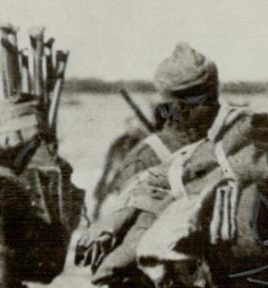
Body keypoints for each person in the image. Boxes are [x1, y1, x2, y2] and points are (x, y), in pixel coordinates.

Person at [76, 42, 221, 274]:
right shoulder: (147, 157)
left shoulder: (229, 143)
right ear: (177, 105)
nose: (211, 108)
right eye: (201, 101)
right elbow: (128, 239)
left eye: (211, 99)